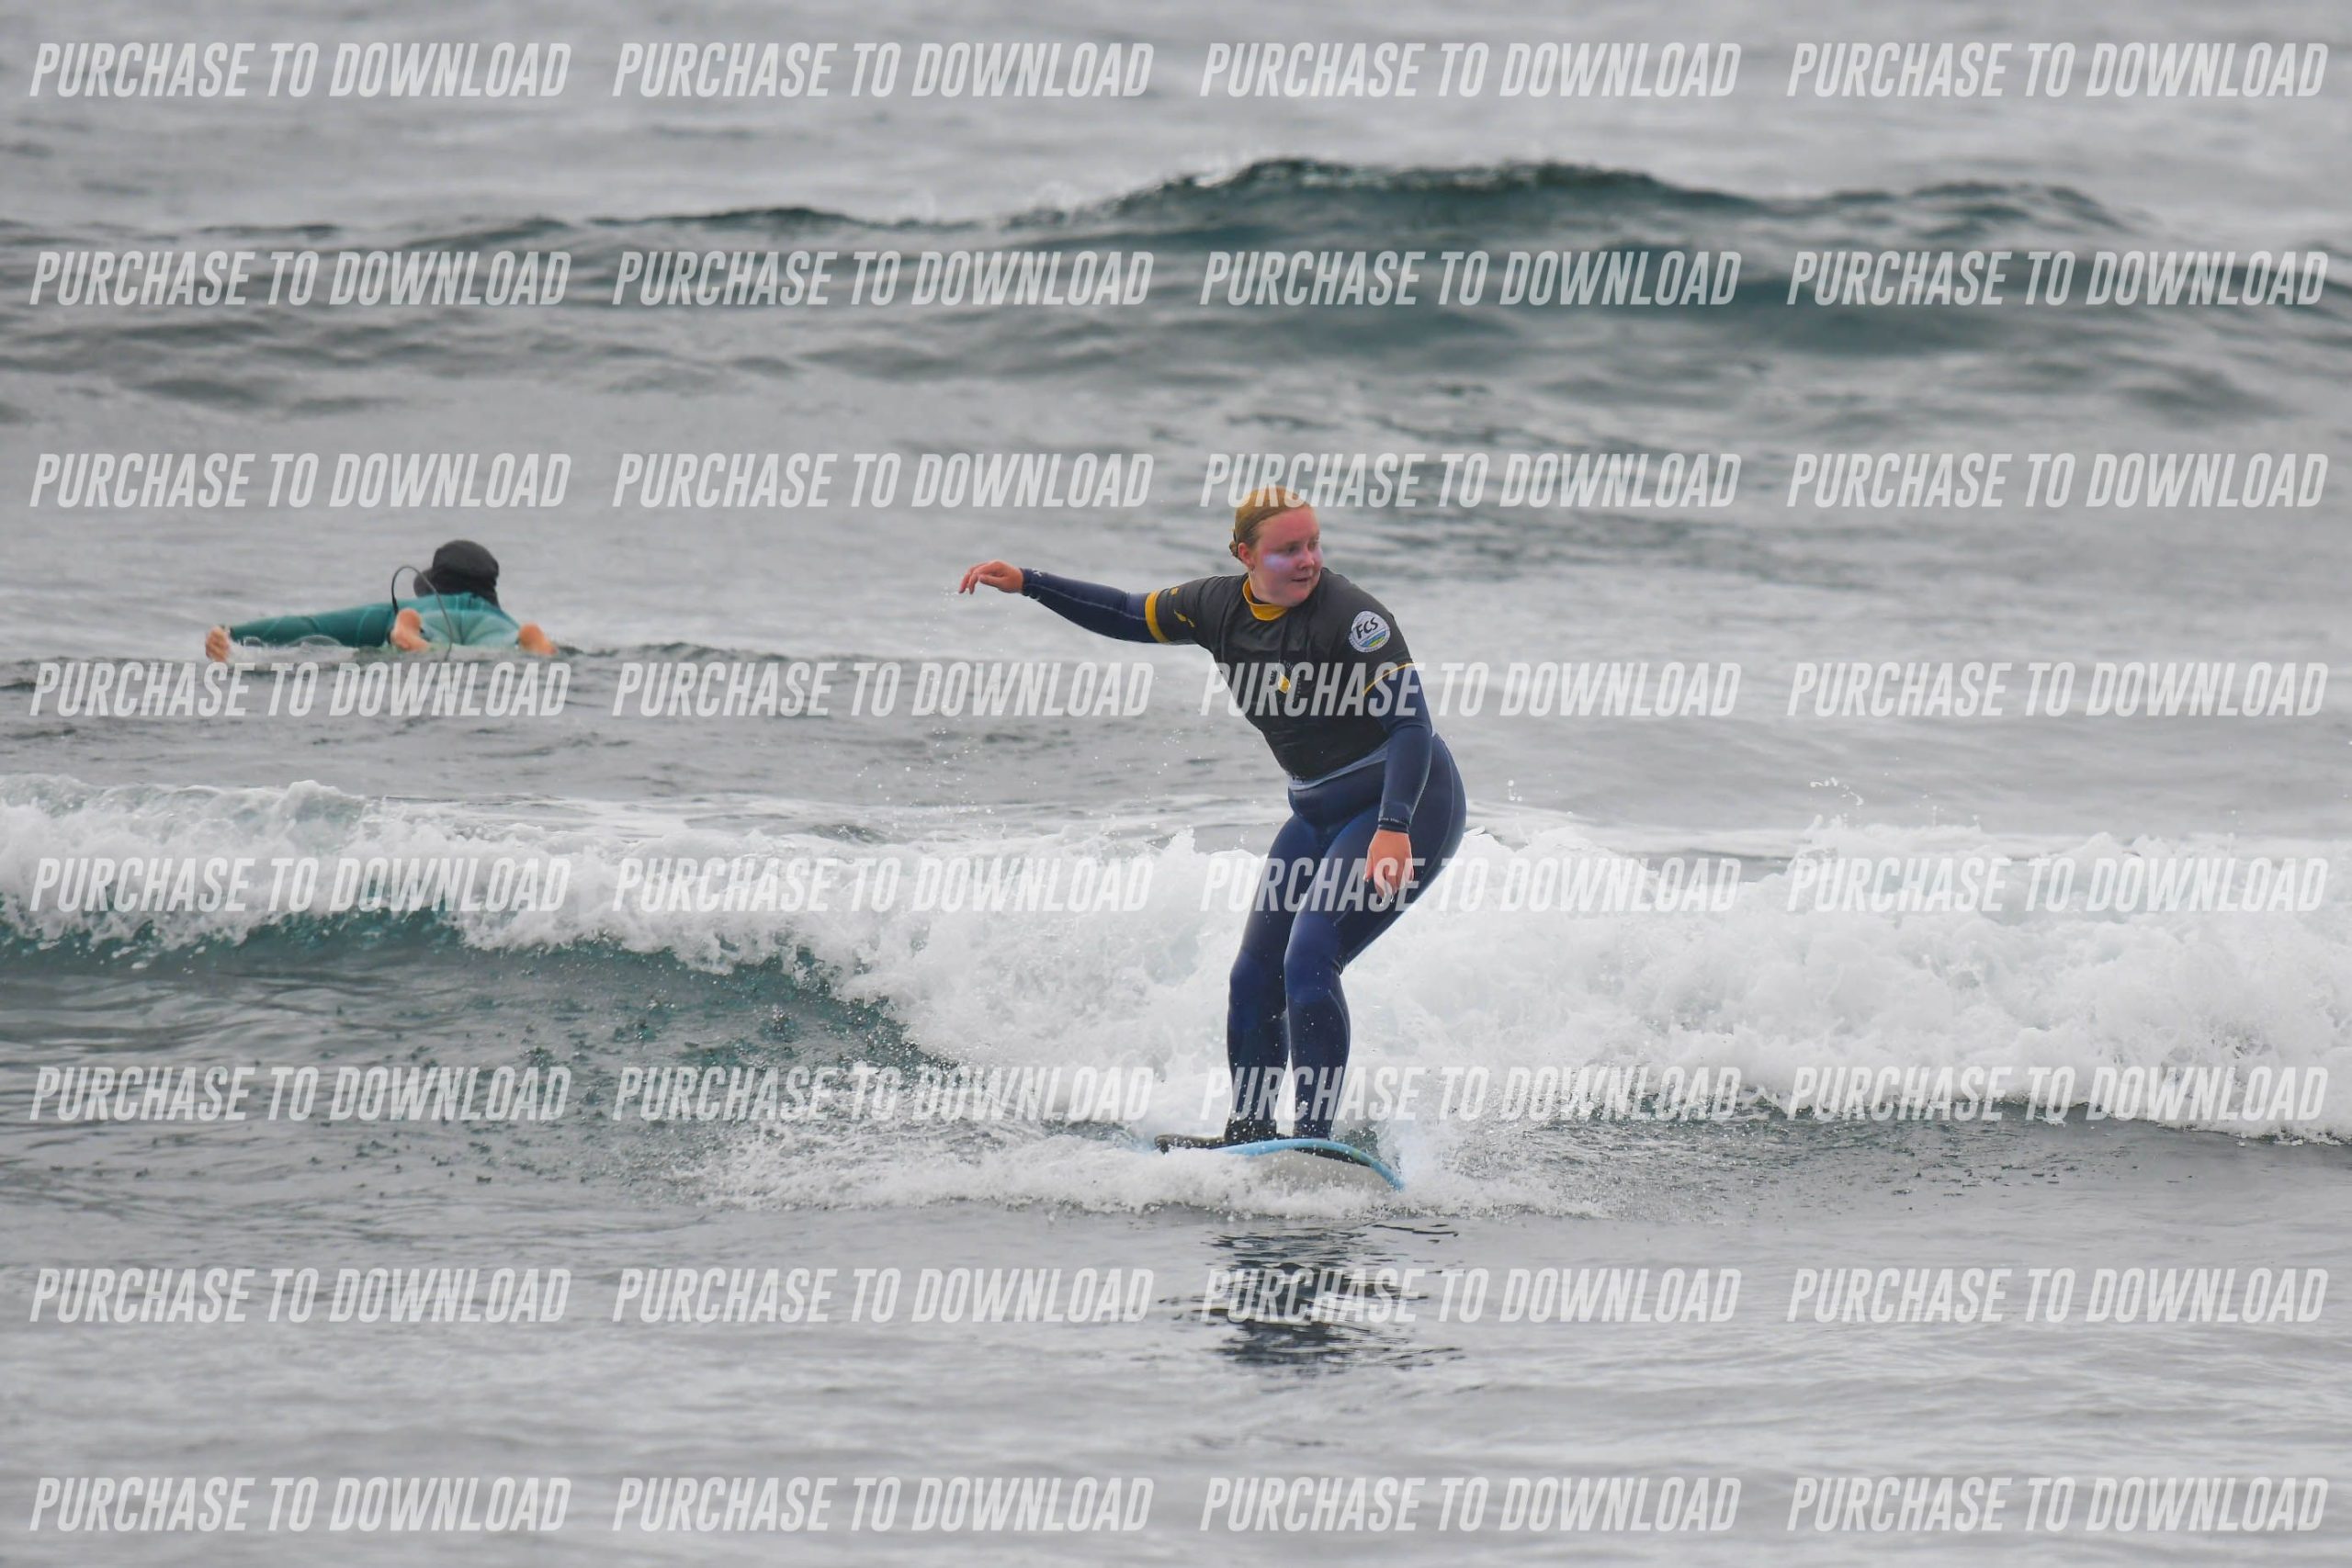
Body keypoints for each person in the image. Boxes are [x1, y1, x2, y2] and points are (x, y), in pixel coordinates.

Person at [959, 488, 1466, 1145]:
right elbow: (1126, 612)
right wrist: (1031, 582)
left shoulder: (1354, 618)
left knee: (1311, 957)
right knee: (1254, 977)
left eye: (1314, 544)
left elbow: (1411, 726)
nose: (1308, 560)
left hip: (1408, 803)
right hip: (1316, 813)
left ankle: (1314, 1140)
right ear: (1244, 555)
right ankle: (1248, 1134)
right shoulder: (1216, 608)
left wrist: (1394, 828)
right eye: (1288, 550)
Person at [204, 539, 556, 660]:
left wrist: (232, 632)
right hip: (498, 628)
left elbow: (310, 626)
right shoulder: (499, 617)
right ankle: (530, 642)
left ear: (431, 585)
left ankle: (410, 632)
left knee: (424, 637)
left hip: (424, 620)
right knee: (507, 647)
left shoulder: (414, 607)